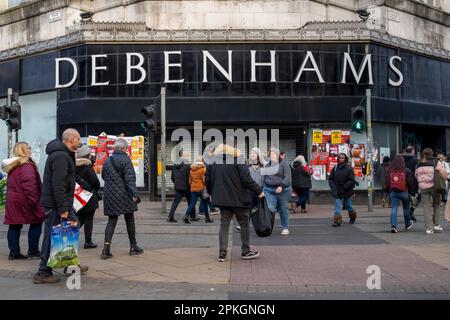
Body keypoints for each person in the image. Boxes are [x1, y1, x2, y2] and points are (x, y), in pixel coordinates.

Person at [34, 129, 86, 284]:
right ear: (71, 139)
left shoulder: (64, 154)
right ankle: (43, 272)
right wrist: (63, 209)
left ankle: (69, 263)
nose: (80, 142)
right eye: (78, 139)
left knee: (71, 228)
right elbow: (59, 184)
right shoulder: (60, 156)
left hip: (61, 203)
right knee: (52, 235)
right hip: (57, 204)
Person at [206, 144, 264, 262]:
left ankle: (222, 253)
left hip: (222, 199)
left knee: (224, 225)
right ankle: (245, 251)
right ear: (235, 146)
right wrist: (259, 191)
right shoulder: (239, 159)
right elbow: (246, 179)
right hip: (239, 199)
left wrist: (211, 193)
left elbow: (208, 179)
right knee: (244, 223)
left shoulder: (213, 162)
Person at [101, 138, 144, 259]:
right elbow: (130, 180)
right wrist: (135, 195)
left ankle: (106, 249)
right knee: (129, 219)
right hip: (125, 195)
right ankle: (133, 246)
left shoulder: (107, 160)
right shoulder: (126, 160)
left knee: (112, 220)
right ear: (125, 148)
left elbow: (104, 176)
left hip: (110, 195)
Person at [2, 142, 44, 260]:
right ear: (23, 150)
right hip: (24, 200)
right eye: (28, 148)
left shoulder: (13, 165)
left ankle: (14, 253)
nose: (30, 150)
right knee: (37, 220)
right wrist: (34, 201)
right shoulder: (26, 165)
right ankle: (33, 250)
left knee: (14, 225)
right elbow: (30, 185)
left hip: (13, 200)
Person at [415, 148, 448, 234]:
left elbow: (416, 175)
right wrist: (443, 179)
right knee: (436, 205)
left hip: (423, 188)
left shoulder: (419, 163)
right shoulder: (436, 161)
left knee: (426, 207)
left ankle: (429, 228)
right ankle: (436, 225)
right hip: (434, 186)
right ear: (432, 153)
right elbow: (444, 173)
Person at [75, 145, 100, 248]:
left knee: (81, 217)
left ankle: (70, 234)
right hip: (89, 196)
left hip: (78, 196)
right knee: (89, 219)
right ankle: (88, 242)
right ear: (87, 155)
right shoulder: (87, 166)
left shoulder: (74, 166)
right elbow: (95, 182)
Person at [262, 147, 292, 235]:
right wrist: (262, 189)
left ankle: (285, 227)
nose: (271, 155)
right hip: (269, 190)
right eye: (270, 154)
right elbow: (264, 178)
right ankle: (268, 227)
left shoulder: (283, 164)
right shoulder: (267, 165)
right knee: (270, 208)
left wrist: (281, 186)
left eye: (273, 153)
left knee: (283, 208)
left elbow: (287, 176)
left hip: (283, 190)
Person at [384, 155, 415, 233]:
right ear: (403, 162)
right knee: (406, 208)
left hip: (393, 192)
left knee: (394, 208)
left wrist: (387, 191)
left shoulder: (389, 170)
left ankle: (393, 226)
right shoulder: (406, 170)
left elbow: (387, 182)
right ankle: (407, 223)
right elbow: (410, 183)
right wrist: (412, 193)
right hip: (404, 191)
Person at [329, 153, 357, 227]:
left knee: (348, 205)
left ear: (345, 159)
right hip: (337, 190)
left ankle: (352, 217)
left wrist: (345, 187)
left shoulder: (349, 168)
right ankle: (337, 221)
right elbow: (331, 179)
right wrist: (333, 187)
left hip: (346, 190)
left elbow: (351, 180)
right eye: (340, 158)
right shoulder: (335, 168)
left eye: (342, 158)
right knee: (337, 205)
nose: (341, 159)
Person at [185, 156, 213, 224]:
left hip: (193, 189)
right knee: (205, 204)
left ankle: (186, 216)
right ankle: (207, 218)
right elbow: (204, 180)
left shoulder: (192, 170)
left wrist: (193, 186)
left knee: (192, 203)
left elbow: (189, 181)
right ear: (202, 161)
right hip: (201, 189)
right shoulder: (203, 169)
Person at [167, 150, 192, 223]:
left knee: (175, 202)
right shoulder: (188, 165)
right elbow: (189, 177)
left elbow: (172, 177)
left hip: (178, 187)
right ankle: (192, 216)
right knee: (190, 202)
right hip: (186, 187)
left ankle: (170, 216)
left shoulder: (175, 165)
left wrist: (176, 183)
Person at [403, 146, 419, 222]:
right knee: (416, 199)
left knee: (406, 200)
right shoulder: (415, 160)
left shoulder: (401, 159)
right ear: (412, 151)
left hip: (402, 182)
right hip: (413, 182)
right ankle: (410, 212)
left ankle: (408, 216)